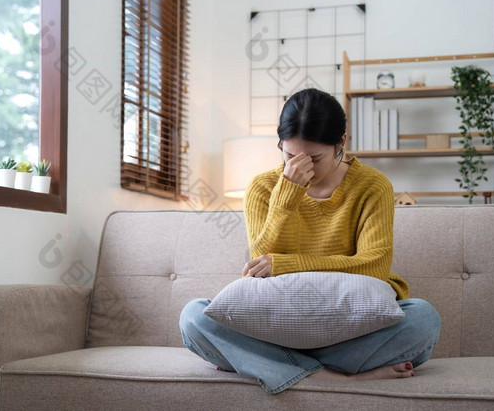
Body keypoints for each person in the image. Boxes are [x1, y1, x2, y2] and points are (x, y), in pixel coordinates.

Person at [179, 88, 441, 395]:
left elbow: (374, 266)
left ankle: (274, 366)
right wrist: (287, 195)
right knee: (194, 317)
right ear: (280, 145)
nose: (303, 168)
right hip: (277, 329)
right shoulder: (262, 188)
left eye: (315, 158)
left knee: (423, 318)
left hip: (353, 329)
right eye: (290, 155)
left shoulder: (372, 185)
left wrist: (287, 264)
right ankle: (337, 378)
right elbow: (258, 268)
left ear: (341, 142)